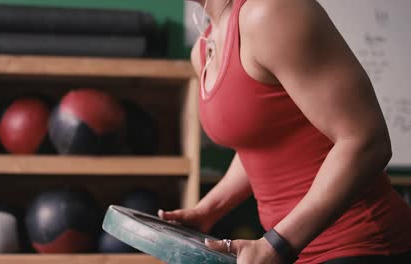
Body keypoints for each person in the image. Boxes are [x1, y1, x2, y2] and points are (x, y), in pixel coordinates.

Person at [158, 0, 411, 263]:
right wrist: (207, 211)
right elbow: (260, 146)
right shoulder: (204, 49)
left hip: (360, 244)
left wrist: (278, 243)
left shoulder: (273, 12)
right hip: (293, 249)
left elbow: (367, 141)